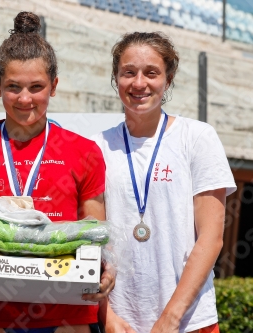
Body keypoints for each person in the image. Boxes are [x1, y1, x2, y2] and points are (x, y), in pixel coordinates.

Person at [0, 11, 114, 333]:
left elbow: (92, 231)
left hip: (65, 313)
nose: (25, 99)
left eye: (36, 87)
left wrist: (104, 268)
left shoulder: (84, 151)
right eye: (13, 86)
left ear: (53, 86)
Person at [92, 32, 236, 333]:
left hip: (189, 321)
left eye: (151, 73)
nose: (139, 83)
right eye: (128, 72)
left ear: (167, 80)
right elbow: (92, 243)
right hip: (120, 323)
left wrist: (170, 319)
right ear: (116, 78)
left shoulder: (197, 137)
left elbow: (211, 238)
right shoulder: (97, 147)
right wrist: (108, 318)